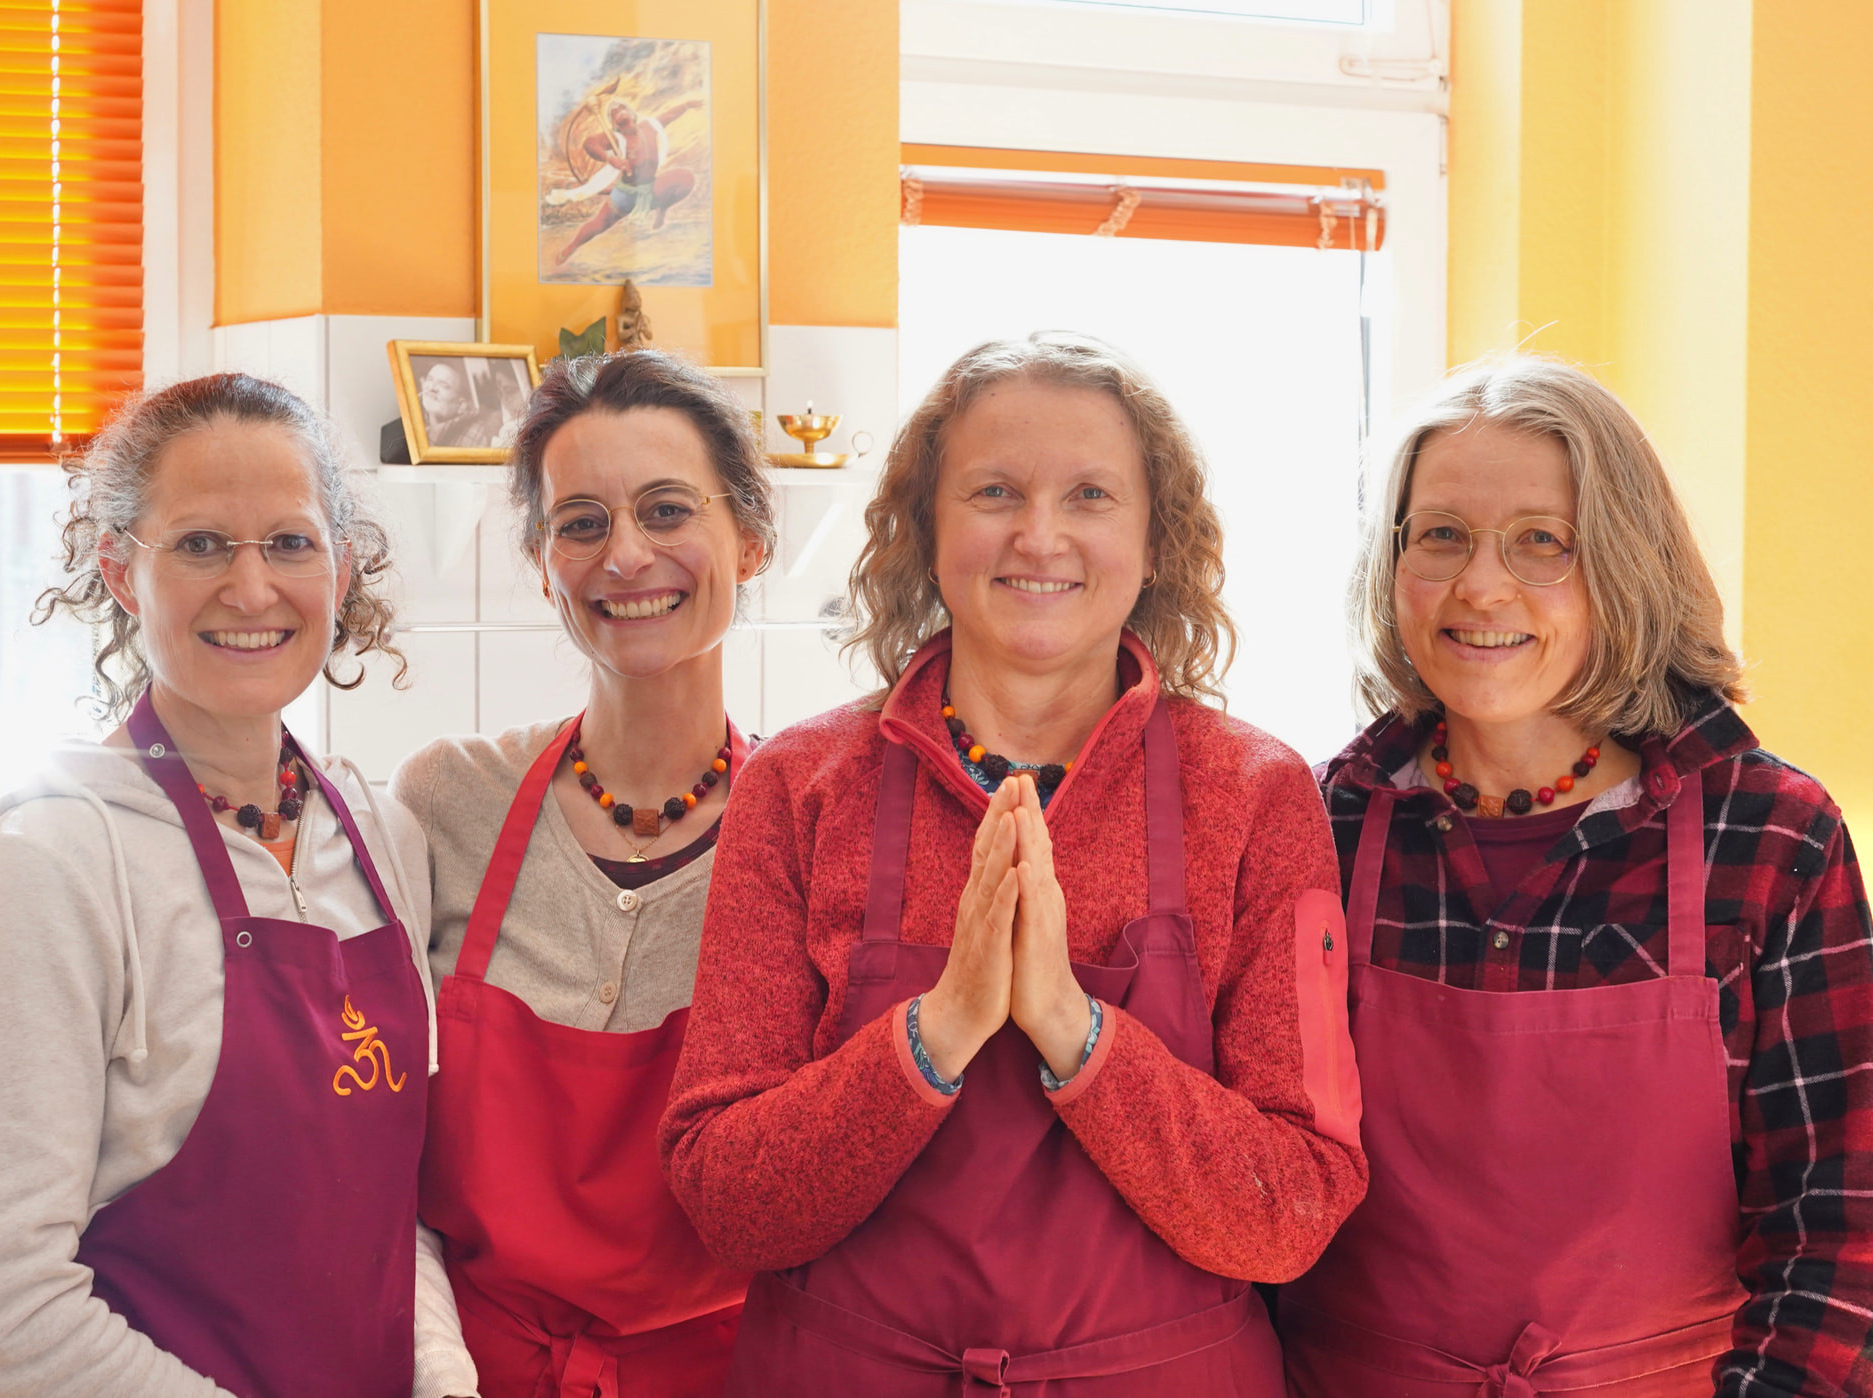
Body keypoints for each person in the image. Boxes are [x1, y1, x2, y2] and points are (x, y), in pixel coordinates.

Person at [662, 332, 1368, 1395]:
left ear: (1155, 539)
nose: (1040, 535)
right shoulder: (799, 786)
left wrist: (1074, 1029)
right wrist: (939, 1029)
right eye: (994, 491)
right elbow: (727, 1202)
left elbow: (1295, 1208)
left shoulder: (1257, 795)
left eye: (1091, 495)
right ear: (926, 531)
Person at [1276, 356, 1873, 1396]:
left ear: (1625, 565)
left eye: (1542, 540)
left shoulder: (1771, 837)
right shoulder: (1315, 824)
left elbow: (1841, 1234)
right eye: (1442, 534)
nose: (1480, 586)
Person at [0, 373, 470, 1398]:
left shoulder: (385, 840)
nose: (252, 588)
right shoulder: (50, 864)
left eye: (290, 542)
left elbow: (386, 1219)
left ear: (340, 566)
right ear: (119, 570)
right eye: (199, 544)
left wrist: (445, 1378)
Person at [401, 350, 773, 1397]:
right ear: (541, 560)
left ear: (750, 540)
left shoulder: (805, 824)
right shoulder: (445, 802)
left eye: (667, 510)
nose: (627, 555)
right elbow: (376, 1164)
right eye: (581, 523)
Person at [550, 86, 703, 270]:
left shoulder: (649, 127)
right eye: (613, 112)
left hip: (649, 190)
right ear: (614, 123)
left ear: (632, 113)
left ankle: (662, 208)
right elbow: (590, 144)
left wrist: (686, 105)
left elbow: (669, 115)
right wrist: (611, 158)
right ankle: (570, 248)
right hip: (625, 196)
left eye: (621, 107)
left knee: (686, 178)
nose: (618, 110)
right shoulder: (615, 138)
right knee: (599, 224)